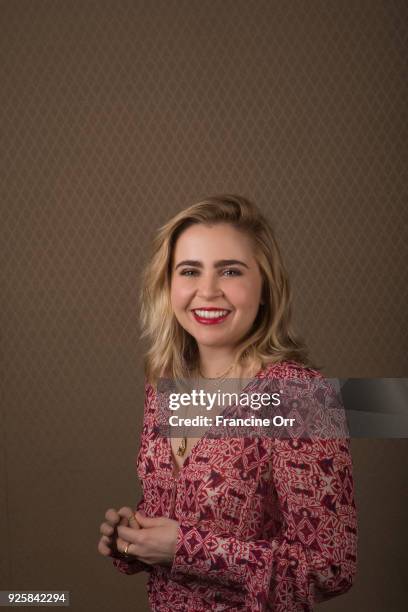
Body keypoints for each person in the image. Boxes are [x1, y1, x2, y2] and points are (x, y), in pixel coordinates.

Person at [97, 194, 357, 611]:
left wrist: (185, 548)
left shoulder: (300, 398)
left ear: (266, 286)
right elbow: (176, 521)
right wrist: (133, 538)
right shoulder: (167, 382)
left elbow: (329, 568)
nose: (208, 291)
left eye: (230, 271)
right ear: (168, 285)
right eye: (189, 271)